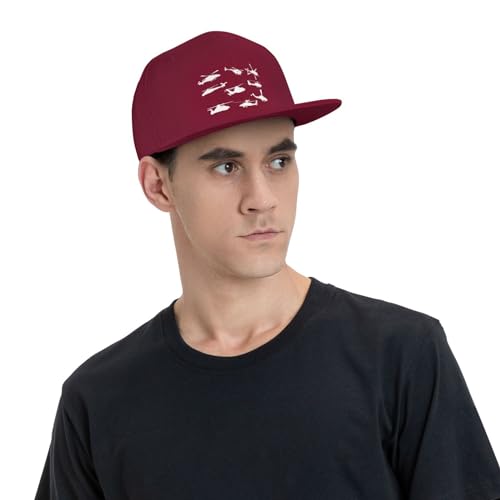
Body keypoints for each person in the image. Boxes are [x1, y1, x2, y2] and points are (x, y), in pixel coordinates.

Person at [34, 31, 500, 500]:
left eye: (278, 161)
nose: (262, 199)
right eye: (226, 167)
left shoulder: (401, 355)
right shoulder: (98, 401)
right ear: (158, 185)